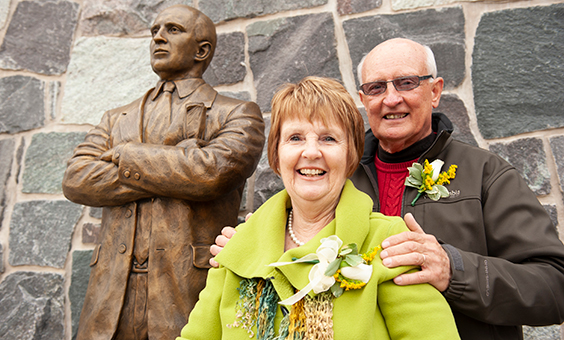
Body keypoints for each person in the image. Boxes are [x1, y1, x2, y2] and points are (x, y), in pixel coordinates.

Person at [212, 38, 564, 339]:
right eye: (377, 87)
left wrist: (454, 269)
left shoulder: (486, 175)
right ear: (364, 100)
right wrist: (250, 246)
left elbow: (555, 286)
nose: (391, 98)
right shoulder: (332, 174)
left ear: (436, 91)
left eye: (407, 83)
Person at [178, 76, 460, 339]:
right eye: (295, 138)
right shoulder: (238, 248)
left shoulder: (387, 241)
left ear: (350, 153)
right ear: (276, 153)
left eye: (328, 138)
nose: (310, 152)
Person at [62, 5, 264, 340]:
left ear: (202, 50)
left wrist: (126, 156)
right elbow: (76, 179)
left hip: (186, 296)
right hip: (109, 303)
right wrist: (179, 167)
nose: (158, 36)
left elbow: (211, 174)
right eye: (155, 29)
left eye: (172, 29)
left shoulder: (237, 114)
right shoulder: (116, 118)